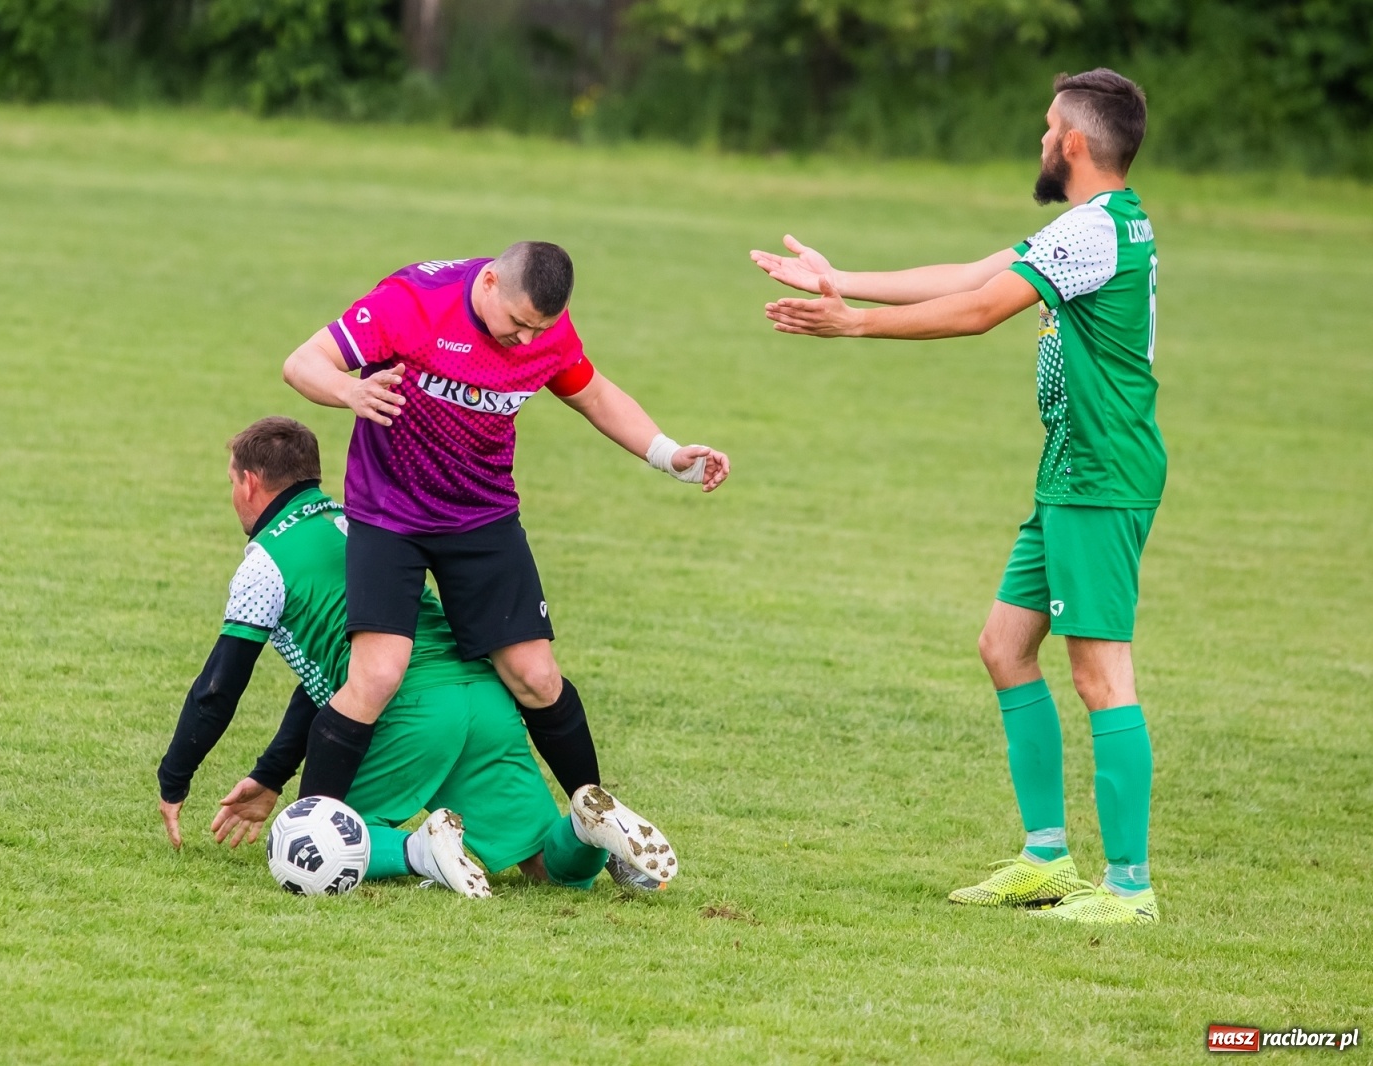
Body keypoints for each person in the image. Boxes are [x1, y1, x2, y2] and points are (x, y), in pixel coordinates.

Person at [752, 69, 1163, 924]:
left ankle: (1129, 888)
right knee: (1005, 647)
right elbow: (976, 271)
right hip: (1071, 471)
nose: (1042, 140)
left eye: (1049, 128)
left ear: (1076, 144)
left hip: (1101, 474)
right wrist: (843, 278)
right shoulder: (1093, 225)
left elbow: (980, 310)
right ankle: (1047, 857)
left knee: (1100, 673)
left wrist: (852, 325)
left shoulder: (1094, 232)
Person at [278, 242, 730, 810]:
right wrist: (351, 390)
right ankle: (308, 828)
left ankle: (599, 827)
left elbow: (593, 394)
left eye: (539, 329)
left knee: (537, 677)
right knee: (378, 676)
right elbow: (301, 362)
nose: (527, 341)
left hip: (482, 514)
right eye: (518, 324)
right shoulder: (413, 302)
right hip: (390, 512)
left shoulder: (545, 332)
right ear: (489, 282)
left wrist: (667, 453)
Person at [156, 417, 677, 896]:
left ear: (249, 482)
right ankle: (586, 828)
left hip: (408, 708)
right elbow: (323, 683)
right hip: (484, 698)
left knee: (309, 838)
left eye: (231, 483)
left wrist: (174, 780)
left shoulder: (264, 561)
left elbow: (217, 688)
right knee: (548, 865)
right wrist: (270, 774)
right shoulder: (369, 527)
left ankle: (421, 850)